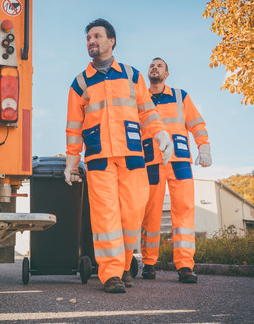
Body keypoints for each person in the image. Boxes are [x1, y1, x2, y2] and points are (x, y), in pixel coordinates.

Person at [64, 19, 173, 293]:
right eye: (88, 37)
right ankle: (110, 274)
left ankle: (124, 267)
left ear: (111, 41)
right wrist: (71, 162)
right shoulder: (80, 83)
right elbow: (73, 127)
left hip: (132, 156)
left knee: (132, 214)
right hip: (99, 158)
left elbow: (147, 111)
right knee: (105, 217)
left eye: (97, 36)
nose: (91, 40)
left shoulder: (132, 75)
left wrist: (161, 134)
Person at [140, 57, 212, 284]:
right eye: (152, 65)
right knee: (150, 213)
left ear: (167, 74)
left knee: (184, 211)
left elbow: (197, 124)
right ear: (147, 72)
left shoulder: (181, 97)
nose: (155, 68)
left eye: (159, 65)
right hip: (150, 161)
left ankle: (185, 266)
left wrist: (205, 148)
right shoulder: (140, 99)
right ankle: (149, 263)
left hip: (179, 161)